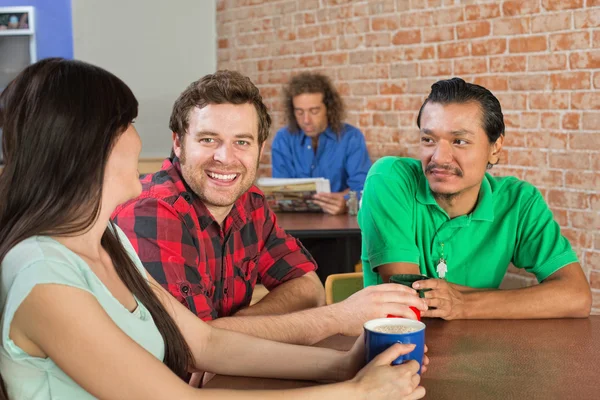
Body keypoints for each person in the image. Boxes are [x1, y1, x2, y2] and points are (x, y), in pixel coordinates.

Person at [0, 58, 427, 400]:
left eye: (242, 141)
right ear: (86, 145)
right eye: (126, 124)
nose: (135, 137)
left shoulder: (107, 243)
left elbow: (205, 343)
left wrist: (342, 364)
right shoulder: (43, 274)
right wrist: (353, 393)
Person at [112, 70, 427, 347]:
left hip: (227, 375)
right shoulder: (152, 211)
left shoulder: (250, 204)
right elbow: (193, 344)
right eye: (208, 139)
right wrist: (336, 317)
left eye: (242, 142)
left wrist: (238, 327)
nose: (225, 157)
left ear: (260, 148)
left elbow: (309, 289)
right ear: (178, 143)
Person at [359, 77, 592, 320]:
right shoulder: (389, 178)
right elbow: (409, 299)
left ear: (495, 147)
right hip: (400, 350)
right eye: (428, 140)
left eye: (459, 141)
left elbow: (576, 296)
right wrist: (511, 301)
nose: (439, 158)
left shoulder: (519, 201)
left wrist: (463, 305)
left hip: (484, 349)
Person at [272, 72, 372, 215]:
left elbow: (363, 188)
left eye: (314, 111)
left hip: (340, 227)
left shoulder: (351, 137)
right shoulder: (283, 139)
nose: (306, 120)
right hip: (294, 226)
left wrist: (345, 201)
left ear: (329, 109)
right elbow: (280, 191)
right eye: (299, 112)